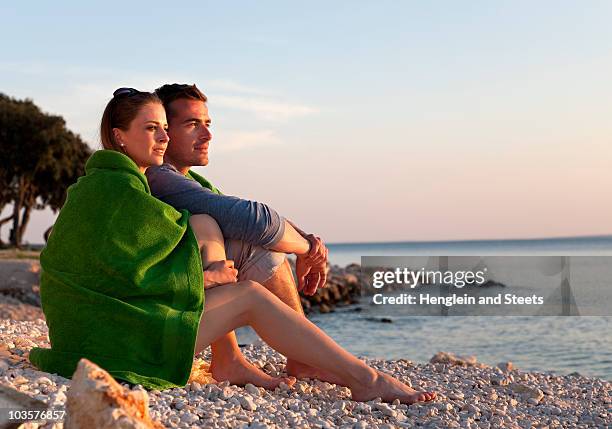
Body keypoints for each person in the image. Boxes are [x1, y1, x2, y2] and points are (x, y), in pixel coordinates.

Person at [30, 88, 436, 404]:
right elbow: (124, 271)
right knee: (249, 296)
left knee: (208, 225)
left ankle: (245, 361)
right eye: (151, 128)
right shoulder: (119, 189)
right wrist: (206, 276)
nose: (162, 138)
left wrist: (207, 269)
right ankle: (366, 380)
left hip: (115, 329)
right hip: (115, 340)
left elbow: (139, 259)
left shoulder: (115, 183)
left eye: (164, 129)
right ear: (119, 135)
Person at [145, 83, 337, 386]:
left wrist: (308, 243)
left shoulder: (183, 181)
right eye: (192, 124)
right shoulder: (158, 178)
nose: (207, 135)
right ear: (165, 132)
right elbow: (256, 223)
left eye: (208, 124)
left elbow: (245, 216)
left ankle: (237, 360)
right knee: (254, 245)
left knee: (234, 234)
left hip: (164, 310)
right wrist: (305, 249)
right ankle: (295, 359)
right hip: (149, 325)